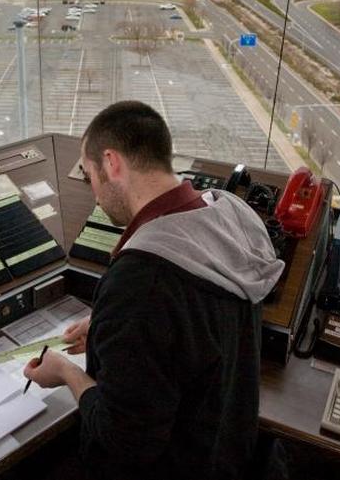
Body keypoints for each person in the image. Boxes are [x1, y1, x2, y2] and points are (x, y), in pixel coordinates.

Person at [24, 100, 285, 480]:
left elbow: (123, 443)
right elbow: (190, 321)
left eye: (89, 174)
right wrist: (105, 327)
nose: (94, 193)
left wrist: (66, 373)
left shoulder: (141, 282)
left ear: (112, 163)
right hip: (225, 454)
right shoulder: (230, 218)